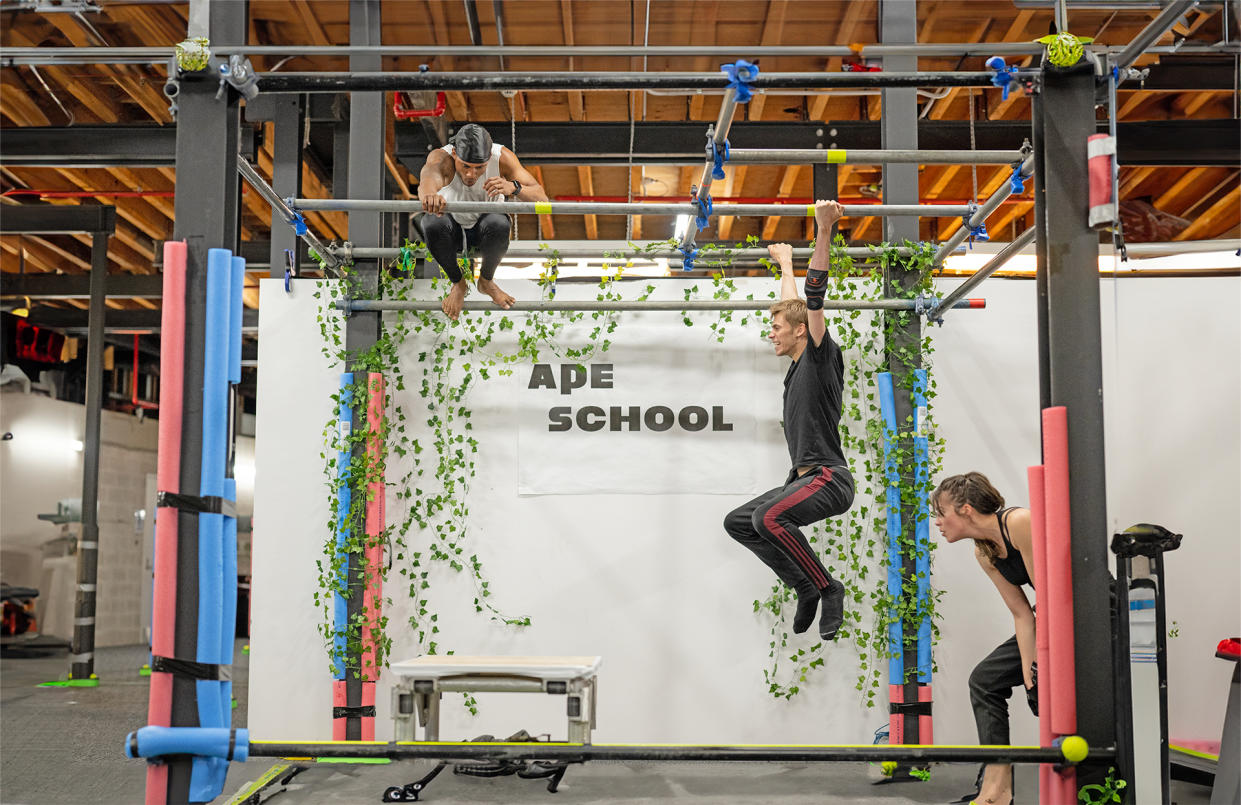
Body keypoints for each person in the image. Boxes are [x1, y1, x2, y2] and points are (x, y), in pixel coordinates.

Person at [723, 200, 855, 643]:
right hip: (802, 478)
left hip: (828, 479)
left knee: (768, 519)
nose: (771, 332)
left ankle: (825, 587)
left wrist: (822, 230)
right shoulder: (799, 361)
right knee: (740, 521)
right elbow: (792, 306)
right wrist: (785, 264)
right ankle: (802, 584)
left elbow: (809, 302)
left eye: (775, 327)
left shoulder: (819, 355)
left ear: (801, 331)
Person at [932, 471, 1038, 805]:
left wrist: (1040, 666)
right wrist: (1029, 670)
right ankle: (996, 790)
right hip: (1050, 617)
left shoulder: (1020, 522)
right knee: (985, 680)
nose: (937, 522)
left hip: (1093, 613)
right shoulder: (984, 552)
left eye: (940, 512)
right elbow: (1022, 613)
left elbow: (1051, 597)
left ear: (964, 509)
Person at [417, 123, 547, 320]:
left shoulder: (502, 157)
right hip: (452, 235)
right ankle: (458, 283)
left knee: (498, 221)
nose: (472, 174)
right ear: (454, 154)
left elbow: (542, 199)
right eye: (465, 166)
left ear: (489, 159)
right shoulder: (441, 158)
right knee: (432, 222)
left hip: (487, 234)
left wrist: (513, 187)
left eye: (480, 168)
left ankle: (486, 281)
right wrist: (429, 196)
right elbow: (427, 179)